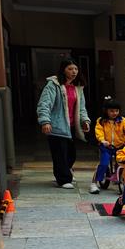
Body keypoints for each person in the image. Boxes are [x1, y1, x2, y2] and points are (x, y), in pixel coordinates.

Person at [37, 58, 91, 189]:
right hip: (56, 126)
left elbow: (81, 107)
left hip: (71, 126)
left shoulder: (77, 87)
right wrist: (45, 121)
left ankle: (66, 172)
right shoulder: (53, 85)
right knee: (60, 154)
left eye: (76, 69)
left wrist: (85, 120)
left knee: (71, 154)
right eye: (70, 69)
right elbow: (44, 104)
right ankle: (63, 179)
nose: (74, 72)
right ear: (63, 70)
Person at [90, 98, 125, 194]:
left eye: (116, 111)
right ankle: (94, 183)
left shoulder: (122, 120)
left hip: (119, 146)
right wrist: (102, 140)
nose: (114, 113)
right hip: (106, 147)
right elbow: (99, 132)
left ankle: (124, 179)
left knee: (124, 162)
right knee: (103, 163)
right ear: (106, 111)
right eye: (111, 111)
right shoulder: (101, 121)